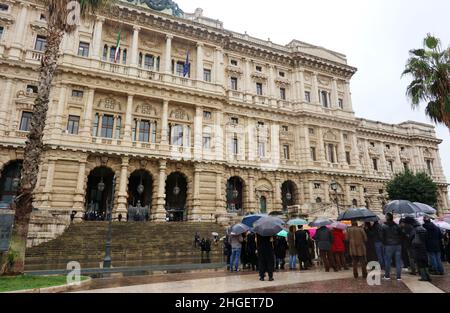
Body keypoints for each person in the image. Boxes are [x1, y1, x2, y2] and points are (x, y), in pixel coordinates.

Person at [381, 212, 403, 280]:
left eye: (385, 216)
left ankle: (387, 276)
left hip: (388, 245)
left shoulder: (384, 226)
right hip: (398, 245)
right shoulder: (397, 226)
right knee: (398, 261)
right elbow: (401, 235)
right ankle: (398, 277)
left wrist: (384, 243)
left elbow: (382, 236)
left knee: (388, 260)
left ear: (387, 217)